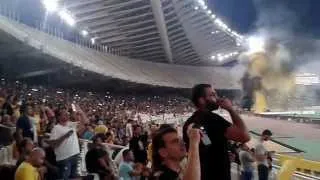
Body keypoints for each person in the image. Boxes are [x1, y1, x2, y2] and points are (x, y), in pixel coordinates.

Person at [183, 84, 250, 180]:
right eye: (212, 95)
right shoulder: (212, 119)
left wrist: (221, 153)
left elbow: (207, 144)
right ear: (201, 100)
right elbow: (244, 136)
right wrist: (230, 109)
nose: (217, 98)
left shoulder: (189, 122)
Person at [48, 107, 80, 180]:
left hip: (75, 155)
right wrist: (65, 136)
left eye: (67, 113)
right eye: (64, 114)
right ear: (59, 117)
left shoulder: (71, 124)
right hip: (65, 158)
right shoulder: (56, 128)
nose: (67, 115)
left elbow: (86, 123)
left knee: (73, 177)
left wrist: (81, 112)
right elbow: (53, 144)